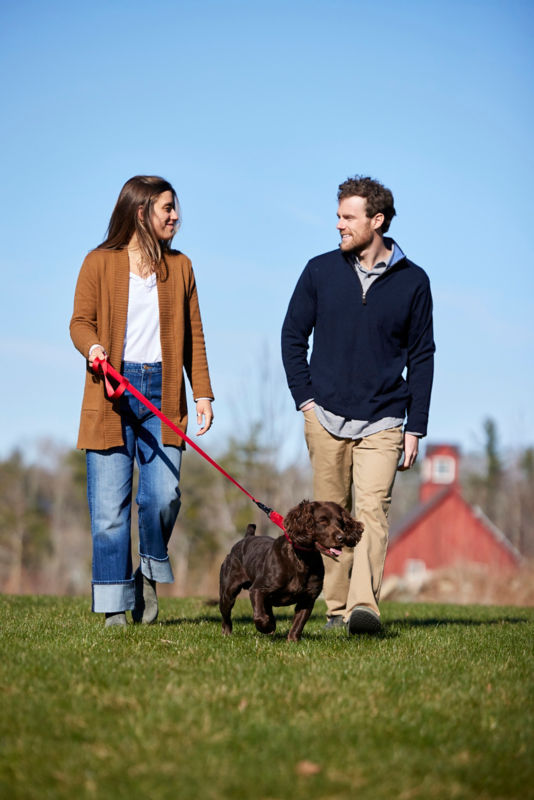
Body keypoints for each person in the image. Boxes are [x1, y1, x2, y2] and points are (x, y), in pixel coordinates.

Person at [281, 175, 434, 635]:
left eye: (348, 217)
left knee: (371, 512)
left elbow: (422, 356)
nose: (339, 225)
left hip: (385, 418)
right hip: (324, 415)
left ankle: (363, 608)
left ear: (377, 220)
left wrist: (416, 426)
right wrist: (305, 400)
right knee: (330, 516)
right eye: (339, 216)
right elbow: (292, 337)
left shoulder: (414, 282)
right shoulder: (319, 271)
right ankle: (334, 608)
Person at [70, 175, 214, 627]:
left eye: (175, 207)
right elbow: (79, 321)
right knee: (109, 511)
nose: (175, 215)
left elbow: (195, 337)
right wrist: (93, 348)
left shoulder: (182, 267)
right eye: (166, 208)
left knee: (164, 497)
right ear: (140, 212)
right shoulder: (99, 262)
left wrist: (203, 392)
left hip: (163, 393)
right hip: (111, 392)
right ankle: (114, 609)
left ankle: (146, 575)